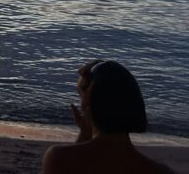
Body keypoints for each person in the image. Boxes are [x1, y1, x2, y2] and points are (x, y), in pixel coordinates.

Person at [41, 60, 174, 173]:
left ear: (88, 104)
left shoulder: (59, 158)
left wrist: (84, 135)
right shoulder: (161, 171)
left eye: (81, 97)